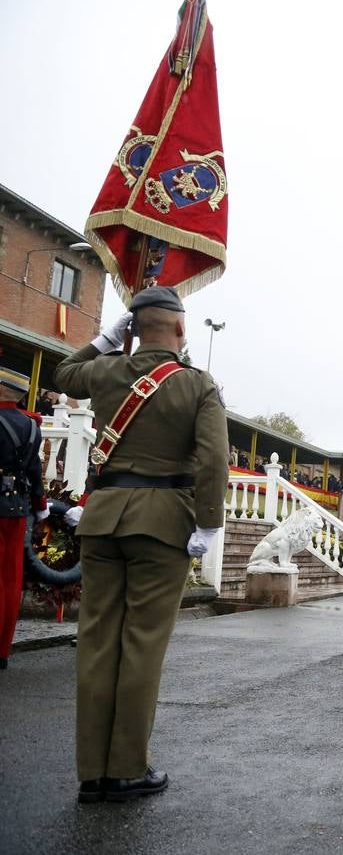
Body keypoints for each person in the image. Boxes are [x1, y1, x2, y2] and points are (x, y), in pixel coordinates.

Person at [52, 289, 227, 803]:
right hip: (163, 524)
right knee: (142, 644)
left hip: (104, 520)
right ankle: (127, 767)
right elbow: (214, 459)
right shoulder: (197, 385)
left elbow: (64, 374)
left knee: (98, 642)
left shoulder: (106, 371)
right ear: (179, 330)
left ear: (132, 330)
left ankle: (92, 771)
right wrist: (209, 525)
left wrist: (104, 343)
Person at [0, 368, 51, 670]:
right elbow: (34, 473)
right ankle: (2, 649)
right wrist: (41, 507)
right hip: (17, 508)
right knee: (9, 580)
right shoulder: (32, 427)